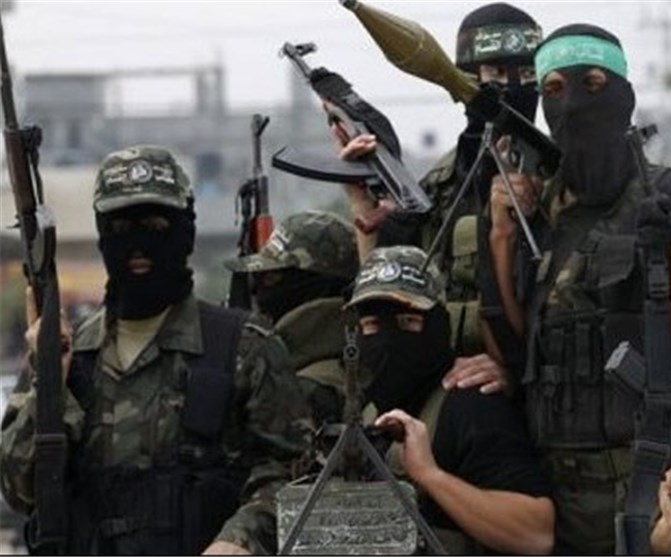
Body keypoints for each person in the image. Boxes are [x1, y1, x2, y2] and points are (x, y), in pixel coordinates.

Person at [489, 24, 671, 553]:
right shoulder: (544, 215)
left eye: (592, 84)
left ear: (624, 95)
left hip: (661, 497)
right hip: (556, 501)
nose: (573, 104)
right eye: (553, 89)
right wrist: (502, 235)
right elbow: (523, 337)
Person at [0, 145, 311, 555]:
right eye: (120, 227)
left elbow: (294, 474)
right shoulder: (69, 353)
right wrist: (50, 384)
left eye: (155, 225)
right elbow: (19, 489)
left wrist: (241, 539)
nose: (138, 245)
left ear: (186, 231)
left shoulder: (243, 347)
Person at [335, 2, 545, 393]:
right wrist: (362, 205)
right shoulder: (434, 188)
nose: (515, 85)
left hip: (535, 384)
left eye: (529, 73)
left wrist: (513, 366)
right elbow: (386, 301)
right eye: (497, 72)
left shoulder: (561, 180)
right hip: (444, 385)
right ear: (463, 79)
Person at [346, 245, 554, 555]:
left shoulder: (472, 405)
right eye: (372, 326)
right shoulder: (366, 410)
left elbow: (536, 533)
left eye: (408, 322)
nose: (386, 339)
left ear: (438, 325)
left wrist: (430, 476)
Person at [224, 210, 359, 426]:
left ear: (318, 285)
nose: (258, 290)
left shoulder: (315, 387)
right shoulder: (290, 360)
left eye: (271, 277)